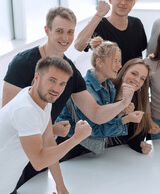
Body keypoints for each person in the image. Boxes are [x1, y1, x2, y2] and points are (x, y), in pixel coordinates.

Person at [2, 6, 134, 191]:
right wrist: (73, 137)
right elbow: (13, 115)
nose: (65, 37)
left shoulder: (58, 84)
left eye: (70, 32)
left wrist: (123, 103)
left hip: (30, 157)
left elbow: (94, 113)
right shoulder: (22, 64)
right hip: (17, 152)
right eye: (59, 31)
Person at [0, 57, 92, 193]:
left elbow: (48, 141)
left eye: (62, 83)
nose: (56, 89)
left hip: (8, 185)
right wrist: (76, 138)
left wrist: (60, 186)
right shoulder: (26, 110)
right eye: (52, 80)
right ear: (37, 77)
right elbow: (39, 161)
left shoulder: (41, 98)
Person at [56, 38, 146, 154]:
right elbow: (94, 130)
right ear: (100, 62)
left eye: (120, 61)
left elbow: (105, 120)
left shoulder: (109, 86)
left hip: (90, 148)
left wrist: (121, 112)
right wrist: (126, 116)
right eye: (116, 61)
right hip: (72, 149)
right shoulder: (85, 89)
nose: (119, 66)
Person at [74, 0, 147, 65]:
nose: (123, 2)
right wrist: (98, 15)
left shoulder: (137, 24)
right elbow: (78, 46)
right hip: (108, 78)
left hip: (133, 78)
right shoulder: (99, 25)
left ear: (133, 3)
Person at [112, 58, 159, 154]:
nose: (137, 80)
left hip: (120, 153)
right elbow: (101, 127)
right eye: (134, 73)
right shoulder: (108, 90)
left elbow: (134, 134)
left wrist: (141, 146)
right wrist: (121, 113)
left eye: (142, 78)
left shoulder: (137, 99)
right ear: (124, 72)